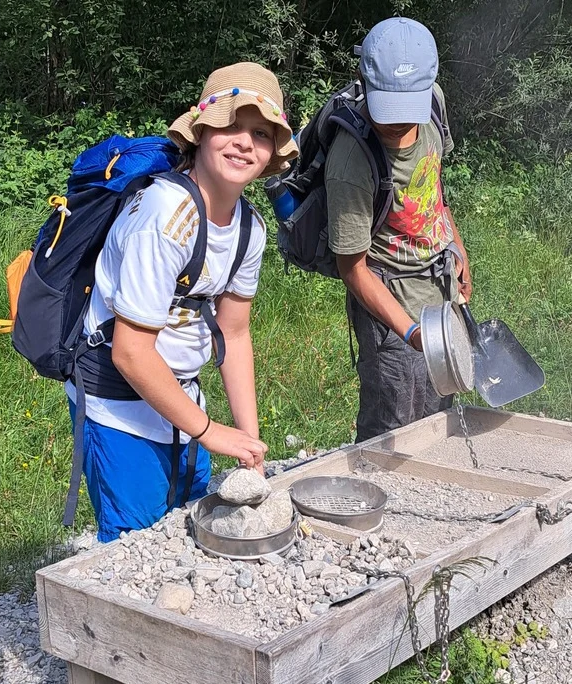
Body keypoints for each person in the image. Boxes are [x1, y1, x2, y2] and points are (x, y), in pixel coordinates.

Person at [68, 62, 299, 542]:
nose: (242, 141)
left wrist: (247, 443)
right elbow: (130, 352)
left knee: (186, 531)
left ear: (272, 152)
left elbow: (234, 332)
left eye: (260, 133)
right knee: (136, 547)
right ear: (200, 133)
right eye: (229, 125)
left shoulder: (249, 229)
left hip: (182, 400)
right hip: (119, 403)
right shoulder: (164, 214)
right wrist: (211, 432)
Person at [327, 18, 472, 442]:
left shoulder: (434, 106)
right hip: (390, 307)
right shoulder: (351, 162)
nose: (396, 124)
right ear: (364, 81)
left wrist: (457, 249)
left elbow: (433, 187)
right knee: (392, 424)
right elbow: (352, 267)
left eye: (406, 108)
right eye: (387, 107)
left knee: (438, 412)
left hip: (440, 289)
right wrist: (408, 331)